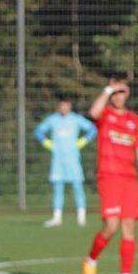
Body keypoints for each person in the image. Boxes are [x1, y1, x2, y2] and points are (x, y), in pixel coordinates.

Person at [80, 75, 138, 274]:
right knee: (111, 226)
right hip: (109, 177)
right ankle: (91, 261)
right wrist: (107, 89)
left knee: (129, 227)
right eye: (115, 92)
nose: (118, 96)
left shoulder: (133, 120)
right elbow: (92, 112)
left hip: (129, 180)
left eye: (121, 91)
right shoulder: (104, 115)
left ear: (128, 93)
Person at [33, 97, 97, 227]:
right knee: (58, 188)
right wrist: (47, 143)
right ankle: (57, 218)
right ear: (58, 106)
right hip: (58, 159)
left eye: (66, 105)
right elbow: (38, 131)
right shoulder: (53, 120)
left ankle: (81, 218)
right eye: (62, 105)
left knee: (77, 187)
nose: (64, 108)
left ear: (70, 106)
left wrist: (82, 142)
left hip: (73, 159)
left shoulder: (76, 119)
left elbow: (93, 130)